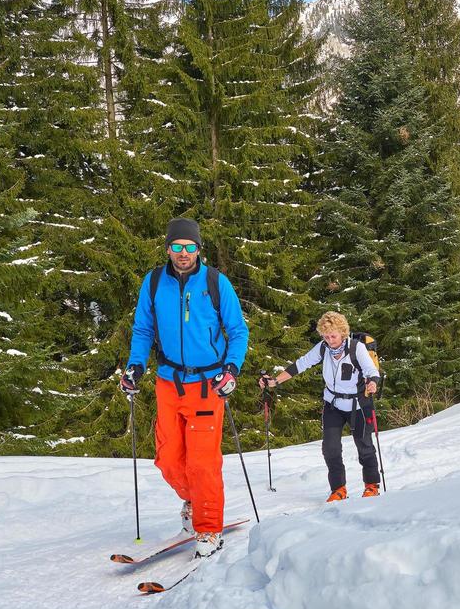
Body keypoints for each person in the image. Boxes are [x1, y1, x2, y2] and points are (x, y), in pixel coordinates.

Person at [120, 218, 248, 556]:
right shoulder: (153, 282)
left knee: (202, 462)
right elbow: (143, 329)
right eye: (177, 247)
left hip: (208, 384)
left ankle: (208, 528)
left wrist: (232, 369)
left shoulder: (216, 283)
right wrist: (136, 365)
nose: (183, 253)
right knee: (169, 459)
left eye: (189, 247)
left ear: (198, 249)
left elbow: (237, 331)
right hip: (168, 382)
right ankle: (193, 500)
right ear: (168, 249)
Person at [260, 311, 380, 502]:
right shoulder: (323, 348)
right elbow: (301, 364)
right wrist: (276, 381)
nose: (330, 340)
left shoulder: (356, 348)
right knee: (330, 448)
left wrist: (372, 382)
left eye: (333, 336)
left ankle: (372, 486)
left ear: (342, 332)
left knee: (364, 445)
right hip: (333, 404)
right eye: (326, 336)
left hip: (358, 404)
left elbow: (371, 370)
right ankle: (338, 489)